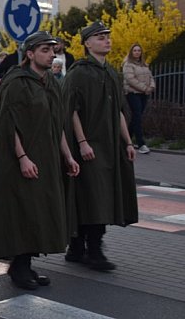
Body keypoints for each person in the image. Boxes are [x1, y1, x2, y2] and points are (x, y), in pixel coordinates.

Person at [0, 31, 80, 290]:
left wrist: (67, 155)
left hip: (47, 158)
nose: (51, 55)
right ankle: (19, 267)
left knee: (39, 212)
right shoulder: (16, 82)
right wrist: (22, 157)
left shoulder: (52, 83)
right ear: (30, 53)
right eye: (45, 50)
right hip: (20, 161)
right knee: (23, 212)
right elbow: (8, 124)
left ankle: (25, 264)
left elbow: (57, 124)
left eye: (52, 50)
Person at [62, 21, 138, 272]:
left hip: (109, 146)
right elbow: (71, 110)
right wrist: (82, 142)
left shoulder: (111, 73)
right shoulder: (78, 72)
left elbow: (117, 111)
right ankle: (90, 249)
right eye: (100, 37)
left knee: (100, 196)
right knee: (91, 196)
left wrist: (127, 142)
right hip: (88, 145)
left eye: (107, 36)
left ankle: (80, 247)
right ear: (87, 43)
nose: (107, 40)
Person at [122, 43, 155, 154]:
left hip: (143, 94)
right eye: (135, 50)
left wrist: (151, 87)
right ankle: (141, 144)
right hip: (133, 93)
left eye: (139, 50)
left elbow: (150, 77)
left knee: (137, 117)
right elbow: (130, 79)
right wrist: (144, 88)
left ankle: (126, 140)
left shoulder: (144, 64)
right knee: (137, 116)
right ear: (131, 52)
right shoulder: (128, 64)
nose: (137, 52)